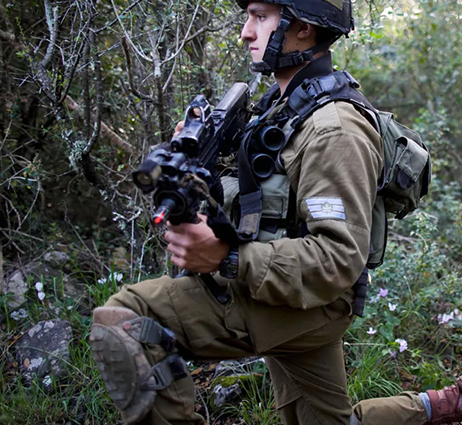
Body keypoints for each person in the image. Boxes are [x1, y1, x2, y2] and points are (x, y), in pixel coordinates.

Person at [89, 1, 384, 424]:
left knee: (127, 317)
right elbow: (264, 195)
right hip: (292, 292)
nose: (246, 32)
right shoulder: (285, 106)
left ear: (303, 27)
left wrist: (227, 256)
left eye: (260, 17)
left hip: (307, 302)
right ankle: (451, 402)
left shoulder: (334, 129)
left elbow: (337, 260)